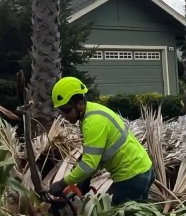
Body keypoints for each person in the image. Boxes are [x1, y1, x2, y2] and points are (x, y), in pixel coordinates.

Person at [48, 77, 154, 205]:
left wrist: (62, 183)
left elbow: (89, 165)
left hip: (131, 176)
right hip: (142, 170)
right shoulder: (91, 112)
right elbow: (96, 155)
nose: (64, 115)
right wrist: (84, 180)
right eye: (61, 111)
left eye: (66, 110)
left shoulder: (93, 123)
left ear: (80, 104)